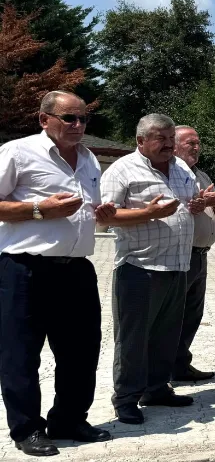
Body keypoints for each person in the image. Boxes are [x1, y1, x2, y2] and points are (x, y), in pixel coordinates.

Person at [0, 91, 115, 456]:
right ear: (43, 119)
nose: (78, 125)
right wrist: (38, 210)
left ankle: (68, 419)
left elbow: (84, 209)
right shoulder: (18, 153)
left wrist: (102, 213)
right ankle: (27, 429)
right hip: (25, 268)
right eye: (69, 118)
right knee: (21, 353)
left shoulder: (90, 159)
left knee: (81, 351)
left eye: (83, 119)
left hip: (77, 269)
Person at [101, 113, 204, 425]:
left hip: (177, 265)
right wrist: (146, 213)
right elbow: (105, 216)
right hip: (140, 267)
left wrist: (198, 204)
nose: (168, 144)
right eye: (161, 138)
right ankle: (127, 398)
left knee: (165, 335)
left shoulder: (181, 167)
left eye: (171, 138)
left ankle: (157, 389)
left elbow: (188, 202)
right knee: (134, 339)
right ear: (140, 140)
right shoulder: (122, 170)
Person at [171, 126, 215, 382]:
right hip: (181, 253)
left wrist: (212, 201)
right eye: (190, 142)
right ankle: (164, 367)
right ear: (175, 145)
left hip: (201, 254)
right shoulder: (170, 173)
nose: (196, 147)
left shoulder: (199, 174)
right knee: (174, 315)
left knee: (193, 313)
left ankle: (180, 363)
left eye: (198, 142)